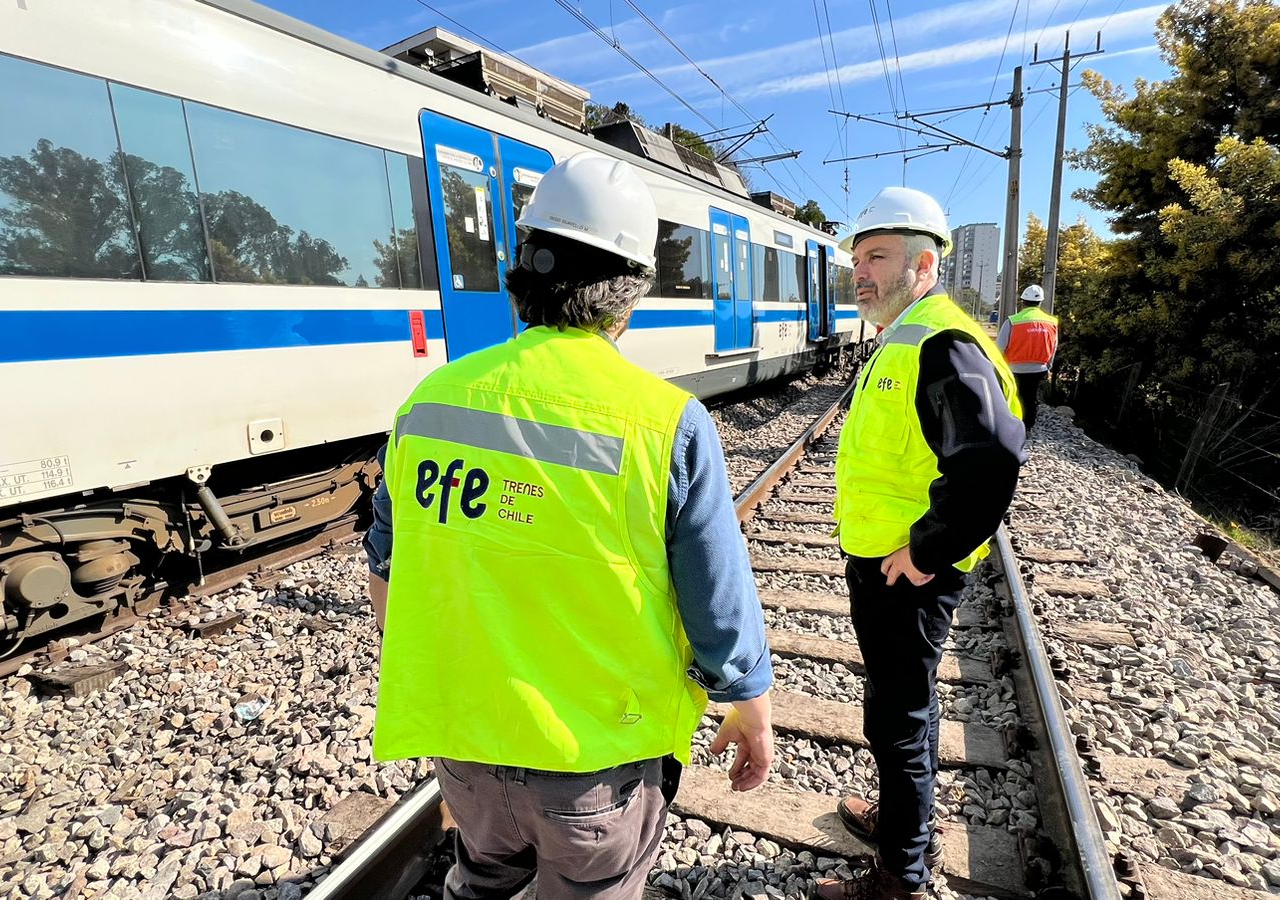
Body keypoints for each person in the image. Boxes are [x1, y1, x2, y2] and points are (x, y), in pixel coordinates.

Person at [364, 152, 775, 900]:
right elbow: (717, 602)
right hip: (597, 763)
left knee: (482, 876)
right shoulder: (665, 422)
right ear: (631, 295)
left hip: (466, 747)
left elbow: (387, 573)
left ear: (524, 271)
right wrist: (751, 704)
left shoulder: (427, 405)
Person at [820, 187, 1026, 900]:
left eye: (877, 256)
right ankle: (905, 825)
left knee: (896, 715)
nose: (862, 271)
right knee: (906, 706)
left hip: (905, 574)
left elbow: (992, 457)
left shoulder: (940, 341)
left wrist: (927, 550)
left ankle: (899, 877)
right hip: (889, 563)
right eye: (858, 257)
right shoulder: (907, 334)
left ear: (925, 265)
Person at [997, 284, 1060, 429]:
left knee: (1014, 397)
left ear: (1023, 302)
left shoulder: (1012, 321)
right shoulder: (1051, 323)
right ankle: (1027, 427)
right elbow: (1053, 347)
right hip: (1039, 369)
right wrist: (1048, 366)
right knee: (1031, 398)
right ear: (1040, 303)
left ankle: (1012, 425)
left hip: (1014, 369)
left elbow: (999, 349)